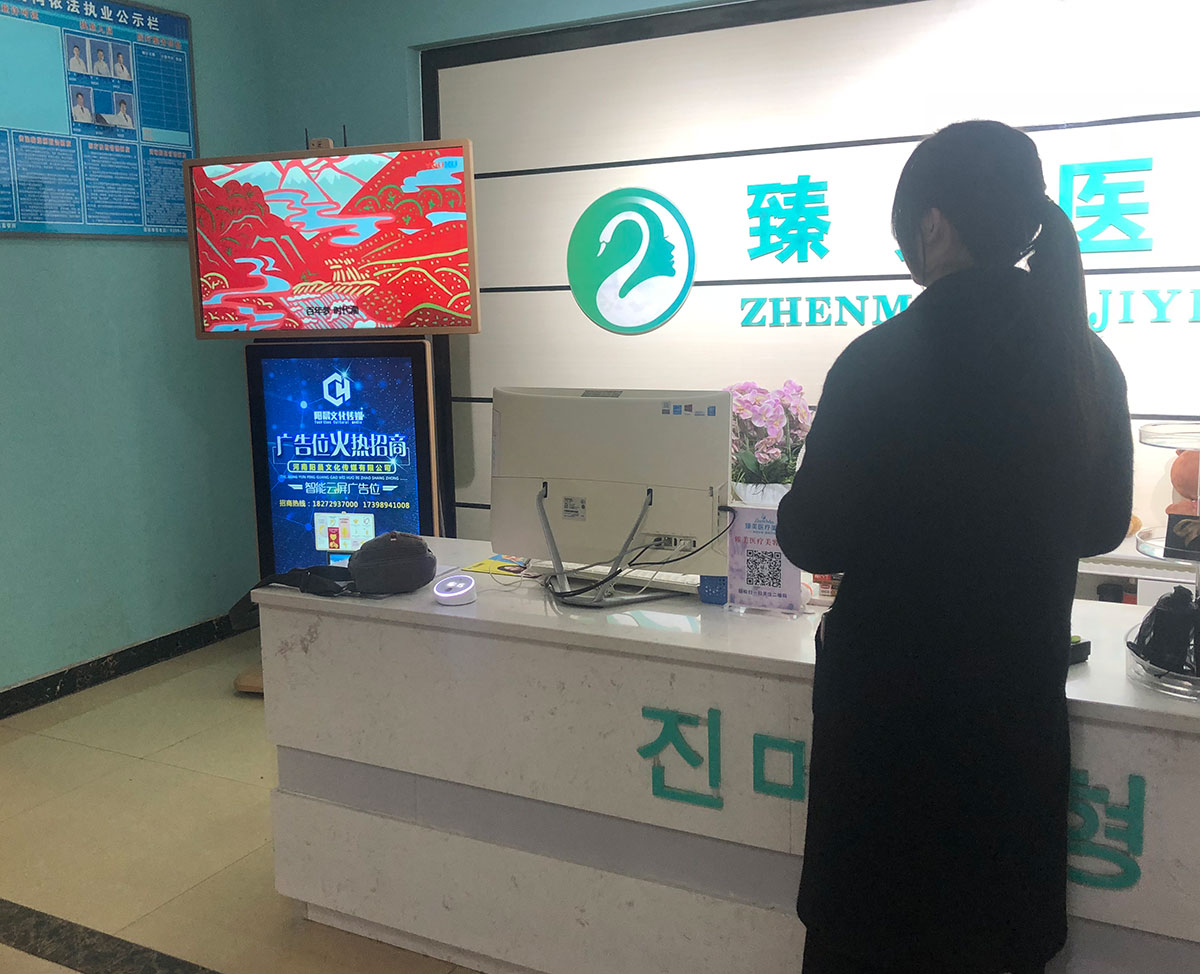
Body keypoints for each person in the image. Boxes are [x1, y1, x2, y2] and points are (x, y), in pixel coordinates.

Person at [776, 120, 1132, 974]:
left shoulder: (878, 360)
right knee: (995, 943)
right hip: (1012, 726)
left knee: (868, 942)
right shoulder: (1087, 361)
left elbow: (812, 534)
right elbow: (1100, 527)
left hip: (887, 732)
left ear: (934, 225)